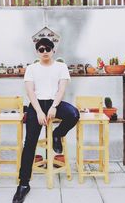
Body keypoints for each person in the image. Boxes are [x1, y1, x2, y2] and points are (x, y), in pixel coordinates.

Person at [12, 38, 80, 203]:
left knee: (74, 114)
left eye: (47, 49)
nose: (44, 52)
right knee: (30, 143)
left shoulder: (61, 67)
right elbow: (30, 92)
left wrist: (54, 107)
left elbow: (61, 89)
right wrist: (38, 111)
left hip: (53, 101)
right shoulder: (31, 68)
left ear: (53, 51)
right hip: (36, 104)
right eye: (41, 49)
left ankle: (57, 134)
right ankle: (24, 184)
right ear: (37, 51)